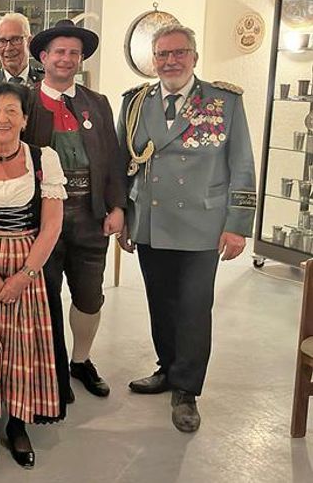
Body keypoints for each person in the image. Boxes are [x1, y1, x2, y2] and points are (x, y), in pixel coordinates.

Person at [117, 23, 256, 433]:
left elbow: (242, 164)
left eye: (179, 53)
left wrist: (238, 225)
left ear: (194, 56)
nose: (170, 61)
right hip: (152, 221)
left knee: (194, 308)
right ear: (153, 60)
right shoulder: (136, 103)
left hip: (202, 224)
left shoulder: (223, 101)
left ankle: (187, 390)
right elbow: (123, 165)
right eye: (162, 54)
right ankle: (168, 368)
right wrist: (124, 215)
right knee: (161, 302)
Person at [22, 19, 126, 409]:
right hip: (42, 219)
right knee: (43, 297)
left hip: (89, 215)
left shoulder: (96, 103)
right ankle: (49, 369)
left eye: (73, 53)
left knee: (89, 296)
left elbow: (113, 158)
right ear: (44, 58)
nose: (66, 59)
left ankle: (80, 361)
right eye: (59, 52)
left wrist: (117, 206)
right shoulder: (25, 101)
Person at [0, 82, 65, 469]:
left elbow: (52, 225)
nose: (2, 118)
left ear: (25, 119)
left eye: (11, 110)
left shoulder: (44, 158)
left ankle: (18, 423)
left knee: (22, 348)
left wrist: (23, 275)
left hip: (28, 261)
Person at [0, 13, 44, 90]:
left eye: (15, 40)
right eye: (2, 41)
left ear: (29, 42)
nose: (8, 48)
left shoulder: (46, 82)